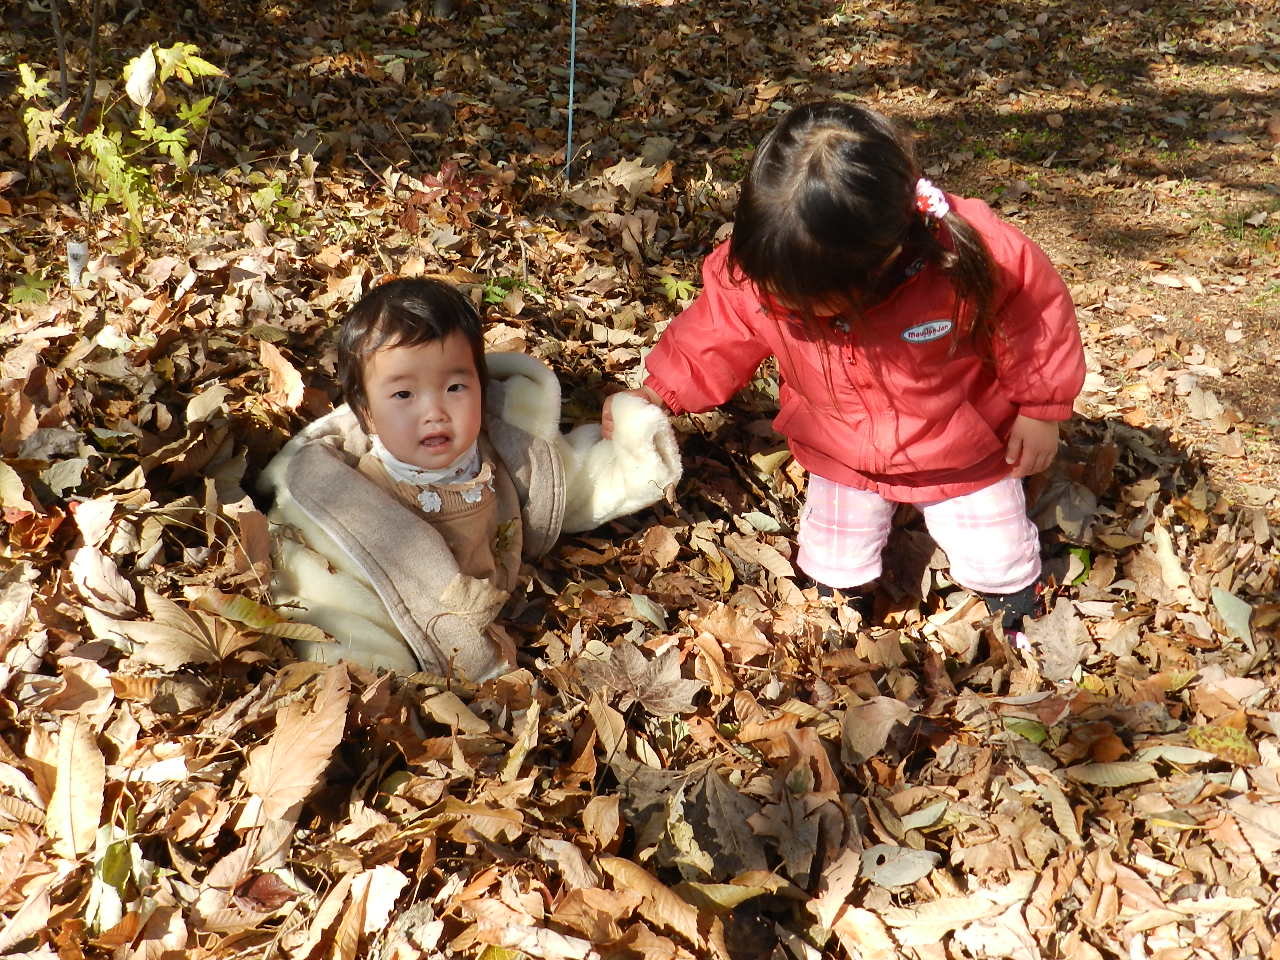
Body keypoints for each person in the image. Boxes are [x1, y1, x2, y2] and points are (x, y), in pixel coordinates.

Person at [606, 101, 1085, 633]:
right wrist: (659, 393)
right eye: (777, 294)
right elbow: (716, 330)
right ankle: (838, 610)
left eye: (809, 301)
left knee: (996, 553)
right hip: (842, 450)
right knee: (832, 558)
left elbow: (1036, 320)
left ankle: (1013, 609)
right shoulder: (764, 267)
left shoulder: (969, 255)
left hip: (962, 450)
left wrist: (1041, 407)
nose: (786, 305)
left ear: (880, 260)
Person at [260, 278, 681, 681]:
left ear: (482, 386)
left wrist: (631, 450)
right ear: (366, 413)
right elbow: (335, 601)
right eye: (404, 394)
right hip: (414, 627)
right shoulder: (358, 499)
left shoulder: (502, 451)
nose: (434, 411)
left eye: (455, 387)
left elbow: (570, 485)